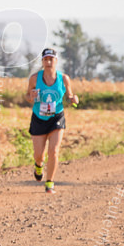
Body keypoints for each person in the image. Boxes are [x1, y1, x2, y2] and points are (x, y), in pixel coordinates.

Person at [24, 47, 78, 194]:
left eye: (51, 59)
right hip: (39, 118)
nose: (48, 62)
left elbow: (70, 96)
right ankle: (38, 166)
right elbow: (27, 97)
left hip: (56, 117)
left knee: (53, 151)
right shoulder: (35, 78)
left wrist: (74, 99)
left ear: (56, 61)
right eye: (45, 59)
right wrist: (32, 96)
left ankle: (50, 183)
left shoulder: (64, 78)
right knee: (39, 155)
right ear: (42, 61)